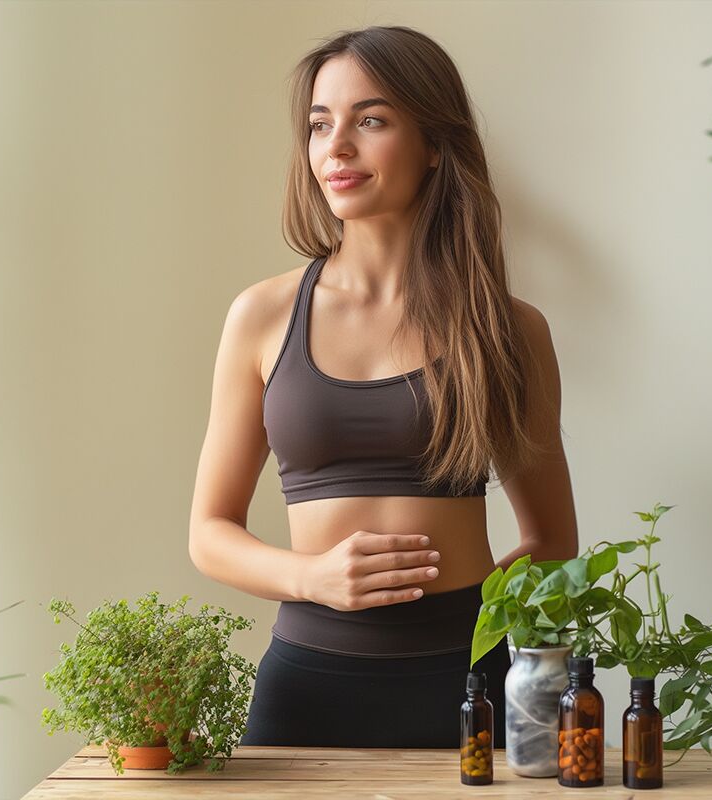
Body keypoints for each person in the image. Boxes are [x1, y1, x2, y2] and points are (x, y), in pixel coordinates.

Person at [187, 25, 579, 748]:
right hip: (307, 687)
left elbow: (552, 541)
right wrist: (313, 578)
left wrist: (463, 607)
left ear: (434, 143)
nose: (335, 146)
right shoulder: (263, 317)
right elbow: (209, 534)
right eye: (318, 124)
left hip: (469, 684)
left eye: (370, 120)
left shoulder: (508, 330)